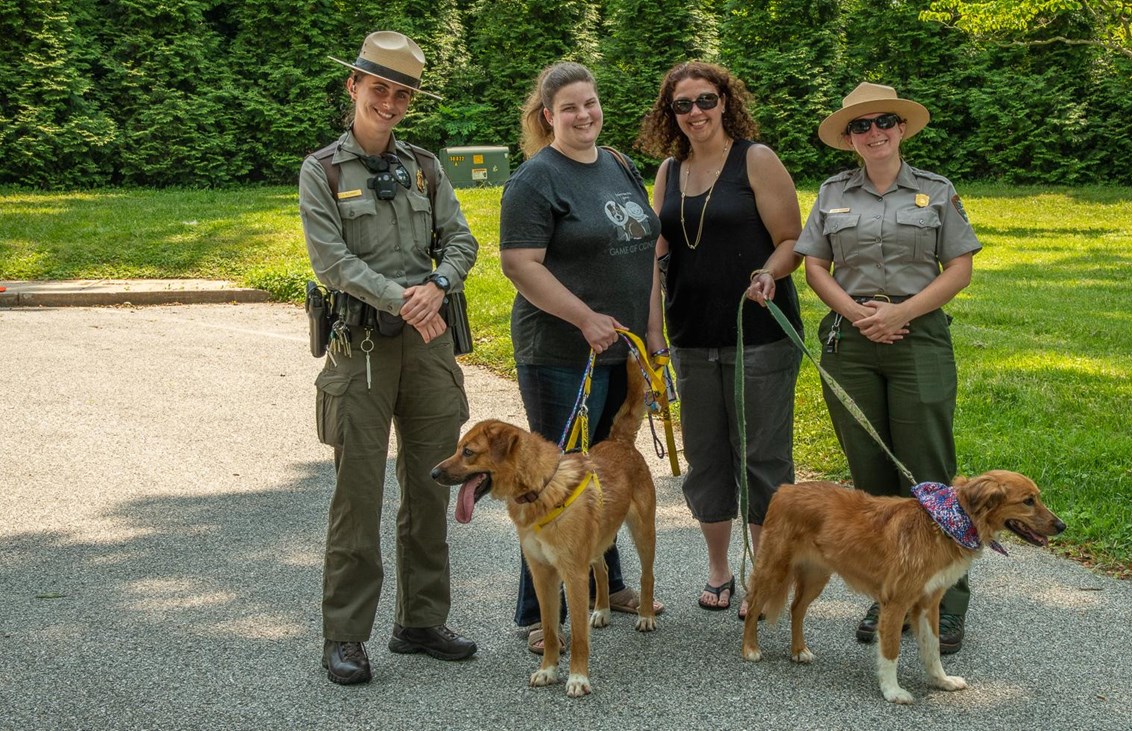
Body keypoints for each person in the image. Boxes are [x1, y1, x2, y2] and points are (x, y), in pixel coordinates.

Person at [298, 31, 479, 685]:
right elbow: (331, 262)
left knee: (431, 486)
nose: (391, 102)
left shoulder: (427, 166)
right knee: (358, 494)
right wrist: (406, 297)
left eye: (402, 93)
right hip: (362, 351)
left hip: (428, 349)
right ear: (354, 87)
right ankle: (345, 634)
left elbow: (460, 240)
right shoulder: (323, 171)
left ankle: (420, 621)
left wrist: (438, 286)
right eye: (380, 89)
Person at [794, 82, 981, 654]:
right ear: (849, 138)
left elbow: (958, 269)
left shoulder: (936, 191)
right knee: (871, 480)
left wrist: (898, 312)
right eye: (860, 126)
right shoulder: (830, 193)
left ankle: (946, 604)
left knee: (928, 471)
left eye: (883, 123)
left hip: (918, 337)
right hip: (850, 342)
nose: (873, 133)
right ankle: (888, 597)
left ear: (901, 128)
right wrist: (855, 313)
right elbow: (816, 267)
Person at [499, 61, 665, 655]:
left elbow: (644, 253)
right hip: (561, 354)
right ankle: (534, 614)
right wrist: (585, 318)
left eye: (590, 103)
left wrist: (653, 336)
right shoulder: (534, 181)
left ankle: (608, 582)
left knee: (606, 470)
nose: (584, 115)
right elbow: (520, 265)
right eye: (569, 107)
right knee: (552, 482)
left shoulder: (619, 165)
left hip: (621, 353)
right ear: (548, 117)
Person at [636, 62, 803, 619]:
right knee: (706, 458)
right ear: (671, 114)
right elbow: (657, 257)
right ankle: (719, 570)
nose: (696, 113)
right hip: (689, 336)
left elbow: (791, 241)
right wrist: (654, 329)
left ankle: (763, 569)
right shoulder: (668, 171)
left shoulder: (755, 159)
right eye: (682, 105)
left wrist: (769, 273)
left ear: (725, 101)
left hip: (757, 334)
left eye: (705, 100)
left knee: (761, 455)